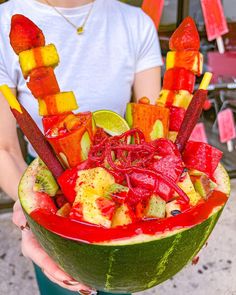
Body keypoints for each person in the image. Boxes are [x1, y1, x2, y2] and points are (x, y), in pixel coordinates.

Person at [0, 0, 163, 294]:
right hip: (56, 207)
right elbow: (5, 148)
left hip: (125, 200)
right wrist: (36, 214)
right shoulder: (4, 21)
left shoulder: (137, 23)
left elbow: (151, 137)